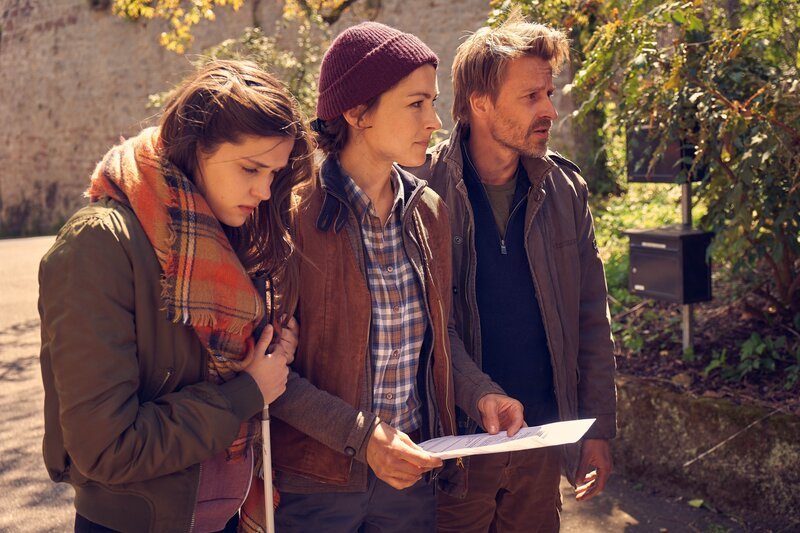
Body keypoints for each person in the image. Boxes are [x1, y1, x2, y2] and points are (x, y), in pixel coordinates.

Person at [266, 22, 524, 532]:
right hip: (314, 489)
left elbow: (441, 334)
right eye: (415, 103)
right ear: (357, 112)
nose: (434, 120)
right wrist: (364, 439)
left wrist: (482, 395)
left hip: (410, 480)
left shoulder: (429, 210)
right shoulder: (290, 214)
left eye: (433, 102)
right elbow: (269, 373)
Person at [38, 60, 313, 532]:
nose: (265, 191)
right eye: (251, 167)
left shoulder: (222, 232)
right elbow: (107, 447)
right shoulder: (98, 246)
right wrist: (247, 391)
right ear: (195, 147)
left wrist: (264, 355)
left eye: (273, 173)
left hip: (223, 517)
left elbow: (209, 362)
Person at [410, 12, 617, 533]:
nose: (549, 109)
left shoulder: (565, 190)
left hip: (540, 444)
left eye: (548, 93)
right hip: (451, 452)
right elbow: (420, 324)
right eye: (531, 97)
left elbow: (592, 315)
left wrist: (597, 429)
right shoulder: (418, 189)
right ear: (480, 102)